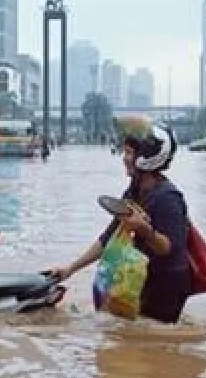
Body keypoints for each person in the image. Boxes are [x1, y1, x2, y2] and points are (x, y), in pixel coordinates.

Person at [47, 116, 192, 323]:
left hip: (166, 285)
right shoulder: (134, 192)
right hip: (142, 279)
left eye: (129, 153)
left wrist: (144, 229)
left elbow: (169, 249)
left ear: (148, 157)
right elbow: (108, 237)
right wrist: (70, 268)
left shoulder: (168, 198)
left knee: (149, 337)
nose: (124, 158)